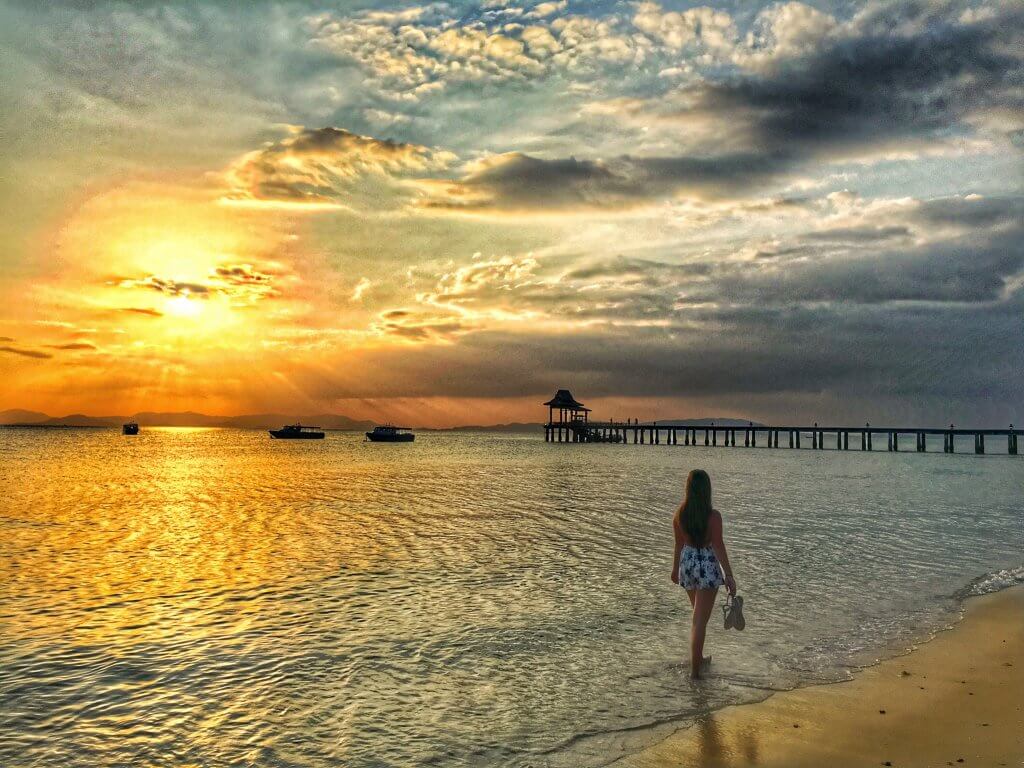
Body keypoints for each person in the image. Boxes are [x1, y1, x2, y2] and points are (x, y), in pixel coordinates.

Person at [670, 469, 736, 678]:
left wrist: (674, 569)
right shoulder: (713, 516)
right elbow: (718, 545)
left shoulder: (681, 513)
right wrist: (729, 575)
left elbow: (679, 544)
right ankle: (695, 672)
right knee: (699, 620)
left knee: (698, 617)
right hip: (706, 564)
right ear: (707, 489)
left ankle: (698, 658)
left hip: (688, 564)